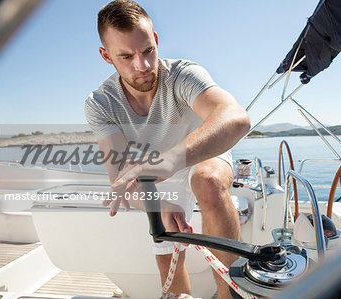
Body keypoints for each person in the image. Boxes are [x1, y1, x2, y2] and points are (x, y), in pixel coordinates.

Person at [84, 1, 250, 298]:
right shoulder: (100, 104)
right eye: (126, 56)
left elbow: (236, 118)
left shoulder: (182, 75)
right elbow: (121, 179)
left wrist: (170, 160)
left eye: (148, 50)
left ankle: (230, 295)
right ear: (106, 56)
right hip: (155, 175)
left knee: (208, 183)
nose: (143, 66)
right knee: (167, 260)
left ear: (156, 40)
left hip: (201, 153)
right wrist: (160, 206)